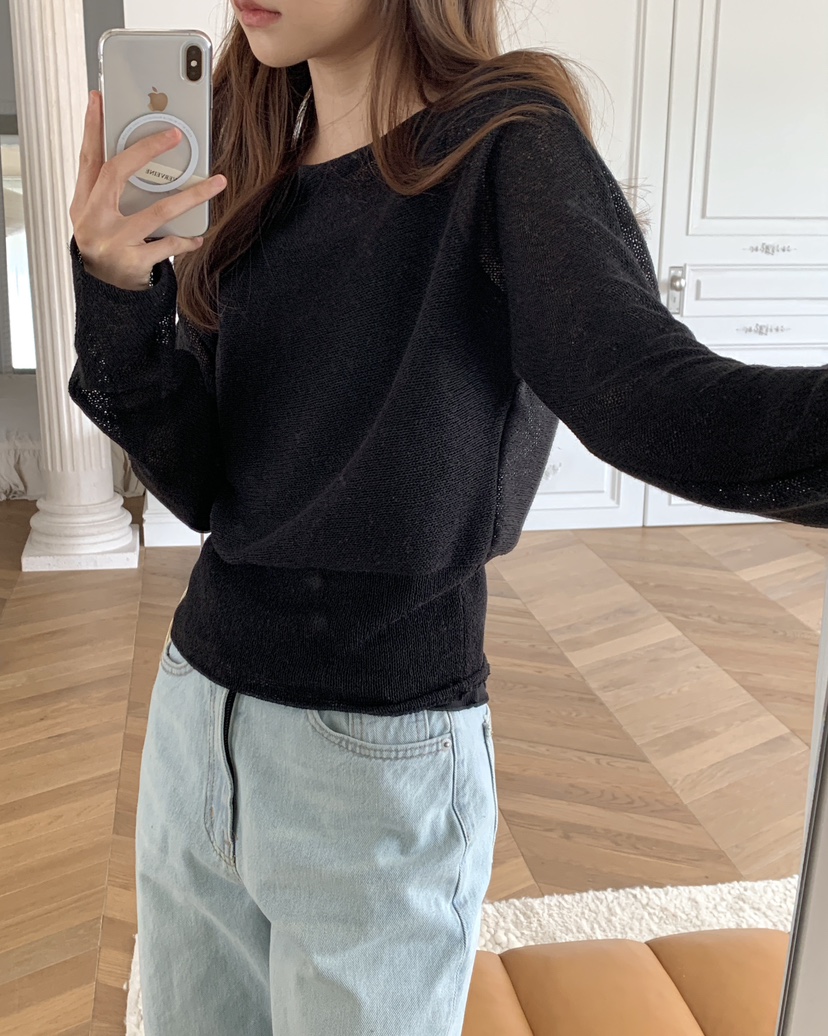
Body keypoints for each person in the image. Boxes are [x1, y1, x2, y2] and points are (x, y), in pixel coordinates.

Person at [67, 1, 828, 1033]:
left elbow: (659, 405)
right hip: (195, 720)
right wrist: (117, 290)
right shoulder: (251, 162)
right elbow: (202, 483)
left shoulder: (508, 145)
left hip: (371, 762)